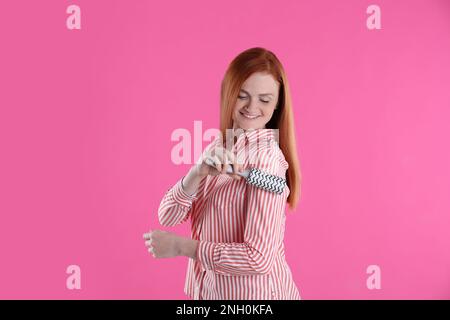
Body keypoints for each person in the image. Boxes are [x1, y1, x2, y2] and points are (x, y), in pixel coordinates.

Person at [143, 47, 302, 300]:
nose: (252, 107)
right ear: (228, 93)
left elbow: (258, 258)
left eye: (265, 99)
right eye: (242, 95)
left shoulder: (267, 160)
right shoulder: (218, 147)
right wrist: (197, 173)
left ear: (276, 106)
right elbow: (167, 216)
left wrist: (180, 246)